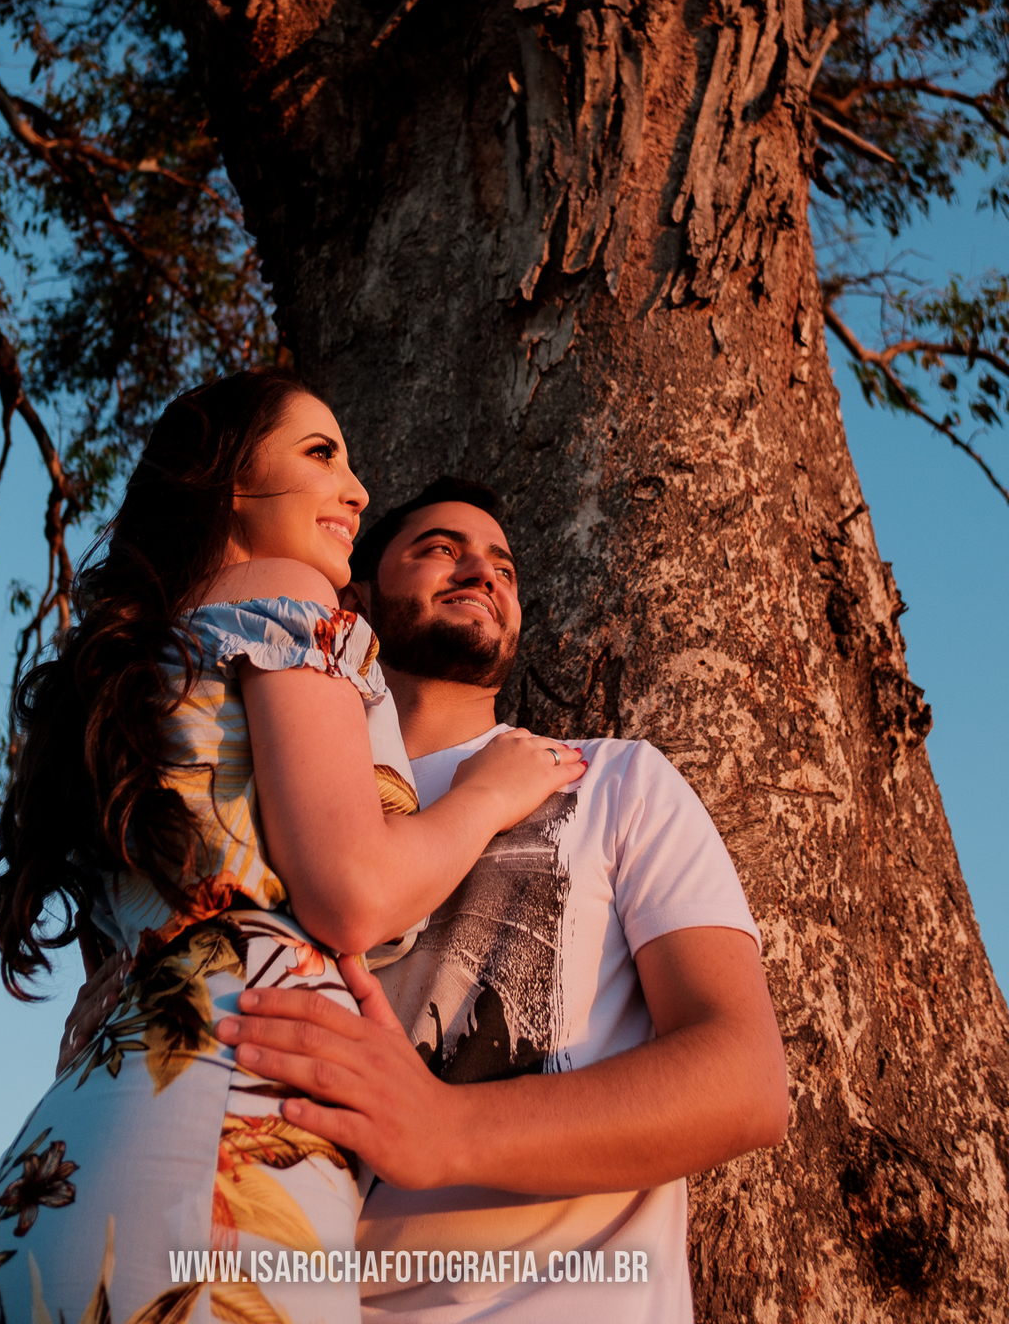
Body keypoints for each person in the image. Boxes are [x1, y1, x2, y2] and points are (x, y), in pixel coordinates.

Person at [0, 376, 585, 1324]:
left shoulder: (140, 667)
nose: (357, 492)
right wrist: (488, 795)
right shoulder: (288, 597)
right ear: (231, 481)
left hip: (52, 1184)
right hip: (211, 1171)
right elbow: (353, 892)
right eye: (322, 454)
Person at [68, 477, 787, 1322]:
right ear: (356, 602)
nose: (483, 573)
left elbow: (745, 1080)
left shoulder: (614, 780)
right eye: (441, 549)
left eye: (504, 569)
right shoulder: (267, 815)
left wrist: (446, 1127)